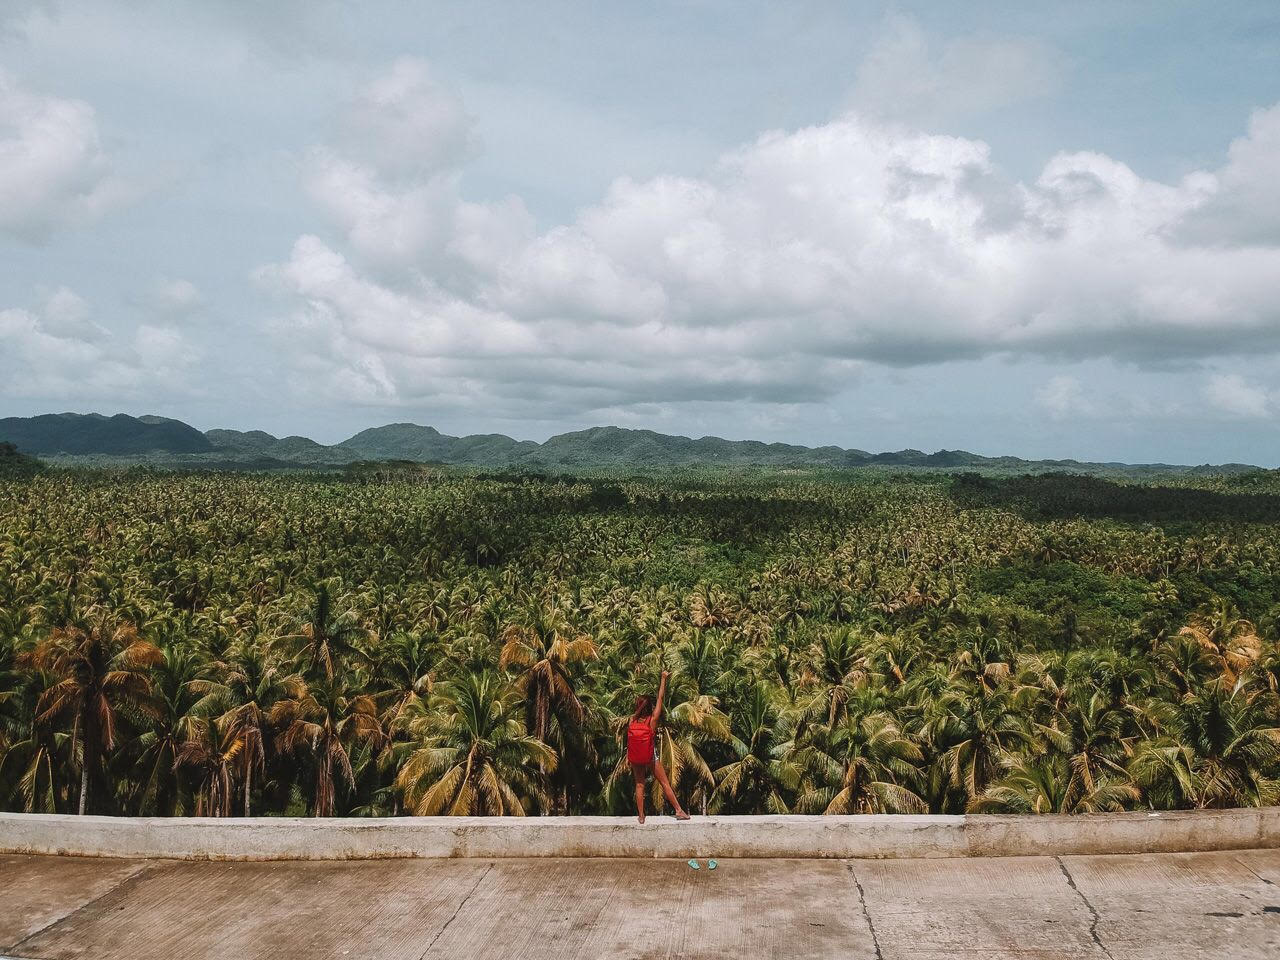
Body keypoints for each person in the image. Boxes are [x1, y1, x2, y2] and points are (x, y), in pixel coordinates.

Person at [627, 670, 691, 823]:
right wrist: (663, 678)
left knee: (639, 785)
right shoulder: (652, 720)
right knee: (664, 783)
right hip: (650, 756)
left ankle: (641, 816)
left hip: (636, 757)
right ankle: (679, 810)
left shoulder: (632, 721)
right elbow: (660, 697)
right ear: (650, 707)